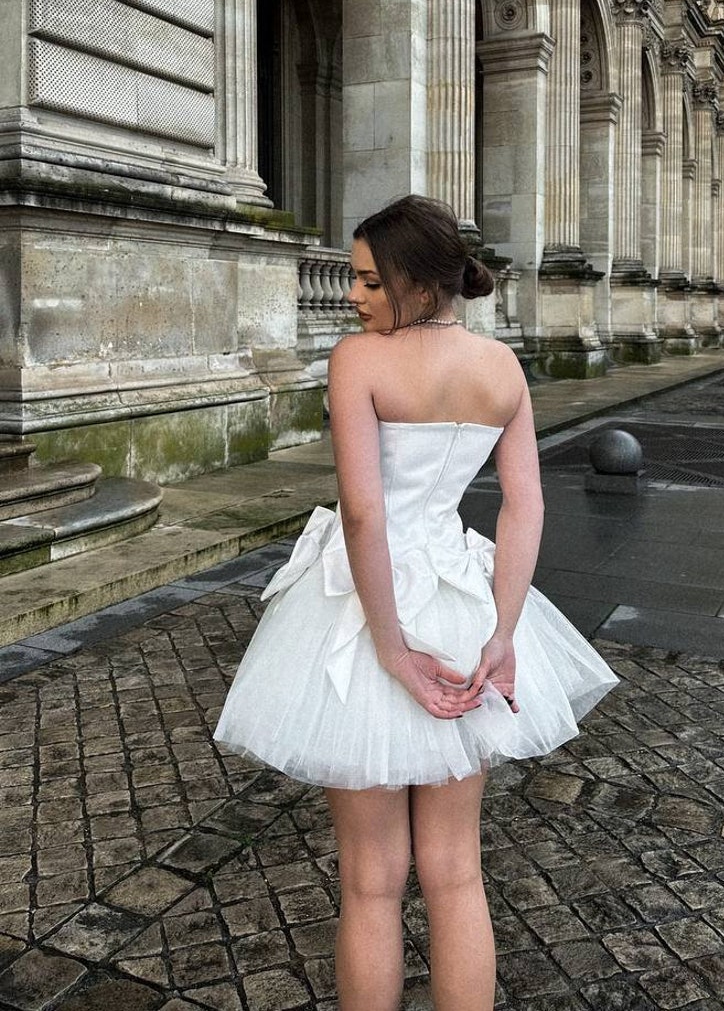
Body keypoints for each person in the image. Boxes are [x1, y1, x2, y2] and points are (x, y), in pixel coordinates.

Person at [214, 195, 618, 1011]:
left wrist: (391, 647)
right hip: (462, 603)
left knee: (370, 881)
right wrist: (502, 632)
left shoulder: (359, 360)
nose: (353, 295)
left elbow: (364, 513)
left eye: (368, 280)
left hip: (368, 609)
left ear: (421, 284)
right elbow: (524, 504)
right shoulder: (501, 367)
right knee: (457, 869)